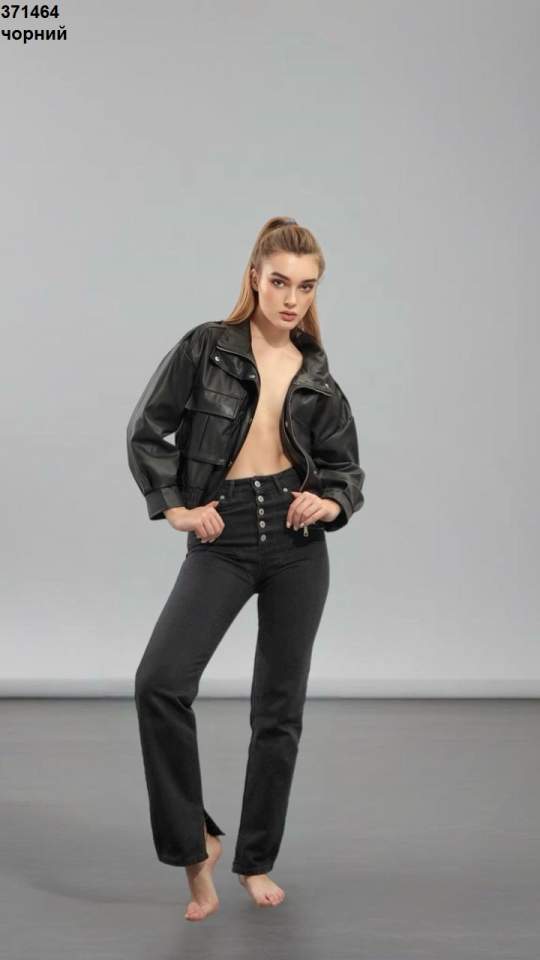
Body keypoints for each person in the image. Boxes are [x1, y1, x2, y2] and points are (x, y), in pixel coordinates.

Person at [126, 216, 365, 920]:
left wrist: (330, 502)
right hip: (224, 531)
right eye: (280, 281)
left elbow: (346, 469)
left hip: (296, 544)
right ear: (255, 277)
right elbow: (147, 428)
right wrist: (176, 507)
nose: (291, 298)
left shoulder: (316, 373)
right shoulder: (208, 346)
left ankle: (256, 860)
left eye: (306, 286)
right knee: (160, 682)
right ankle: (194, 844)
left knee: (278, 712)